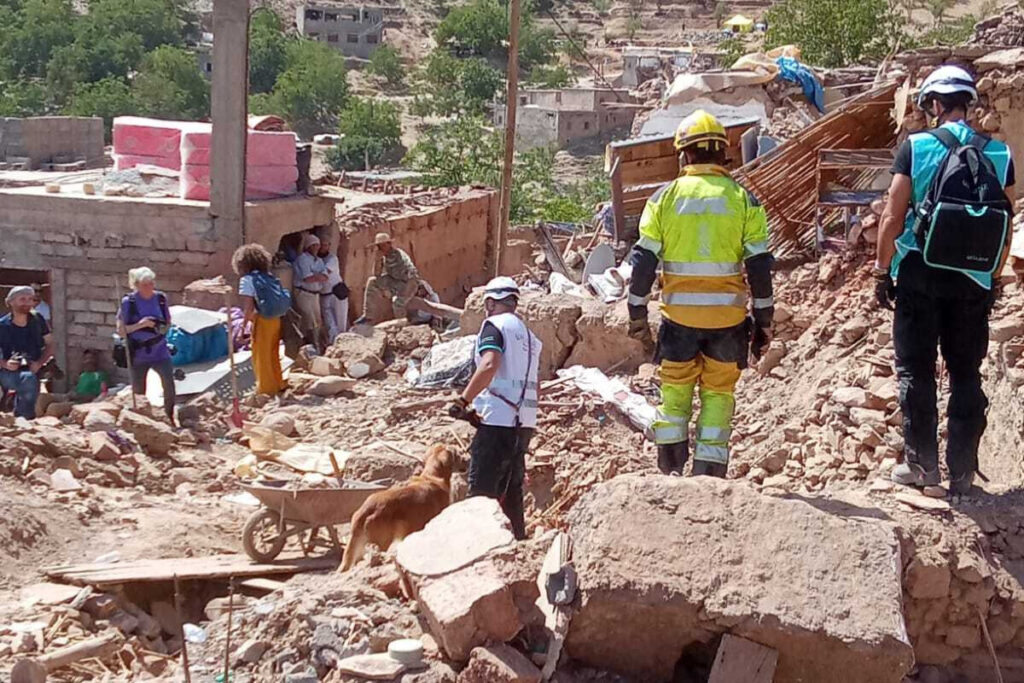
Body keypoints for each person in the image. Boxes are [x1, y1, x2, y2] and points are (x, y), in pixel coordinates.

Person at [875, 65, 1016, 496]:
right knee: (966, 371)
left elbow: (891, 216)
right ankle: (962, 473)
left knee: (916, 369)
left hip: (920, 272)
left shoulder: (915, 148)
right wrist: (991, 277)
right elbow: (1006, 224)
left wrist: (882, 272)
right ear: (968, 104)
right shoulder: (1000, 154)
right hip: (973, 278)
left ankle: (922, 468)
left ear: (934, 105)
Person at [626, 110, 774, 478]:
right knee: (718, 397)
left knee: (674, 398)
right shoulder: (745, 200)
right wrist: (764, 323)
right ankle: (709, 476)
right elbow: (759, 267)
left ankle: (670, 473)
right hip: (728, 323)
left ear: (684, 155)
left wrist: (636, 313)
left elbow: (644, 260)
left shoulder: (665, 198)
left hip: (679, 323)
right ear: (724, 154)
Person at [448, 277, 541, 540]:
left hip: (498, 421)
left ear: (490, 302)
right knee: (511, 491)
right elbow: (534, 382)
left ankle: (476, 548)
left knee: (481, 492)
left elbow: (489, 364)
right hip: (523, 423)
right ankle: (518, 545)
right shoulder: (530, 337)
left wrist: (463, 401)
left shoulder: (494, 326)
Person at [118, 267, 176, 424]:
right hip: (139, 352)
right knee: (139, 391)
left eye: (151, 283)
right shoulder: (128, 303)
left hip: (160, 350)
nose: (149, 287)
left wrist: (160, 327)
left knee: (169, 384)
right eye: (145, 285)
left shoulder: (160, 299)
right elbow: (121, 330)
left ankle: (169, 416)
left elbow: (168, 322)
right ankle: (141, 421)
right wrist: (140, 325)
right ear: (136, 285)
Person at [234, 243, 288, 396]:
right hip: (276, 319)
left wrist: (243, 328)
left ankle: (266, 389)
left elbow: (248, 307)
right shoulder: (268, 277)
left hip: (262, 319)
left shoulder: (247, 280)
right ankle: (278, 383)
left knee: (261, 355)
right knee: (273, 352)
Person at [0, 286, 54, 419]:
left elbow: (50, 344)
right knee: (27, 380)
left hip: (32, 368)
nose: (27, 303)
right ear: (11, 302)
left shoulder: (37, 320)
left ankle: (23, 419)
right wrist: (5, 363)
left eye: (30, 299)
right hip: (6, 371)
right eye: (22, 299)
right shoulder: (2, 326)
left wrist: (39, 363)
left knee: (29, 380)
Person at [292, 232, 328, 346]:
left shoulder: (319, 260)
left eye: (317, 245)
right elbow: (307, 278)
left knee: (317, 321)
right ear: (308, 246)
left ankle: (317, 345)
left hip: (315, 294)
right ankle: (308, 345)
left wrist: (315, 276)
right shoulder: (303, 259)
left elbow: (325, 277)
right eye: (314, 245)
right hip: (304, 293)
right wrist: (318, 276)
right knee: (308, 321)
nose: (316, 247)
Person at [318, 238, 349, 341]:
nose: (323, 247)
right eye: (321, 245)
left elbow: (325, 274)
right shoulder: (315, 260)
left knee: (341, 321)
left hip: (337, 293)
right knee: (329, 322)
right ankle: (333, 342)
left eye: (326, 245)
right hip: (324, 295)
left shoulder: (332, 259)